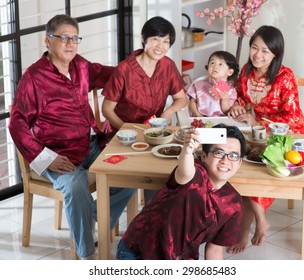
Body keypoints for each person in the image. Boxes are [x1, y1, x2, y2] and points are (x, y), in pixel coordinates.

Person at [9, 14, 136, 260]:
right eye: (63, 38)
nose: (70, 44)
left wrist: (139, 64)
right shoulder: (34, 77)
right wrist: (45, 158)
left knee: (130, 169)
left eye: (75, 38)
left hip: (90, 143)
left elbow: (112, 75)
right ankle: (87, 256)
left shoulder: (81, 65)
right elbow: (17, 123)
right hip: (57, 153)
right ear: (47, 41)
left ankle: (92, 218)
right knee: (76, 185)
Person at [228, 25, 304, 254]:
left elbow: (292, 117)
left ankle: (249, 228)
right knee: (240, 164)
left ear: (275, 54)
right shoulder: (246, 70)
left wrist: (257, 123)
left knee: (261, 165)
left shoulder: (285, 77)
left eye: (265, 51)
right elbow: (242, 97)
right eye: (254, 48)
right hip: (259, 133)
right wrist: (236, 106)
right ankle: (259, 220)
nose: (258, 55)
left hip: (288, 135)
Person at [116, 124, 246, 260]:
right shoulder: (196, 173)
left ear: (239, 163)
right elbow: (185, 172)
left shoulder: (234, 203)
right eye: (218, 153)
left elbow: (214, 250)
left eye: (233, 155)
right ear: (203, 156)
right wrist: (187, 150)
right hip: (138, 252)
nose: (225, 160)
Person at [101, 16, 187, 202]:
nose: (161, 46)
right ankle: (102, 217)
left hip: (156, 133)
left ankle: (152, 217)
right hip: (123, 137)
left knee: (165, 174)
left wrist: (168, 111)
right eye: (156, 39)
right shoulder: (124, 70)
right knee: (128, 181)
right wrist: (127, 130)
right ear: (143, 39)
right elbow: (107, 109)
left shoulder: (167, 66)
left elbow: (181, 98)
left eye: (166, 41)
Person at [187, 50, 239, 117]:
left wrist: (224, 99)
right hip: (199, 119)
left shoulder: (231, 91)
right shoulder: (198, 84)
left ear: (230, 72)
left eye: (220, 64)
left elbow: (227, 111)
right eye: (212, 63)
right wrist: (199, 116)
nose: (215, 66)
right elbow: (192, 102)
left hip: (220, 122)